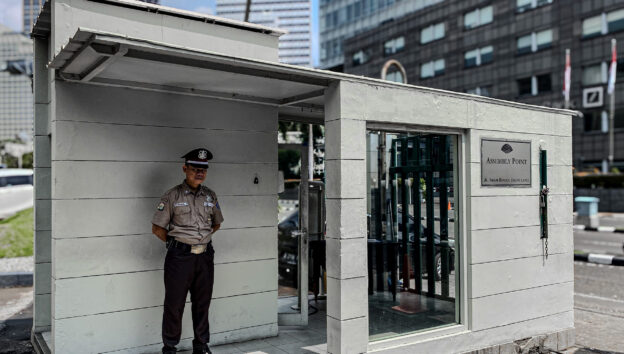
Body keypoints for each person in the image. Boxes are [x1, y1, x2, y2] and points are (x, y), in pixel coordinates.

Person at [151, 148, 224, 354]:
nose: (199, 173)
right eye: (195, 168)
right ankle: (170, 348)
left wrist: (200, 241)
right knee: (174, 305)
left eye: (204, 169)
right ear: (185, 169)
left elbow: (217, 223)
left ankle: (201, 346)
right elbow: (157, 228)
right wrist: (179, 244)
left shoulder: (210, 195)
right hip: (179, 258)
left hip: (205, 257)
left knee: (202, 303)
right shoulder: (172, 195)